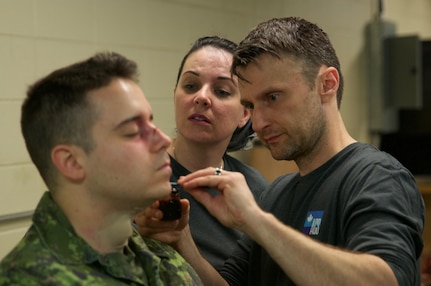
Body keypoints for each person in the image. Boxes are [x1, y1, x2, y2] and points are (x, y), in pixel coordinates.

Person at [137, 17, 425, 285]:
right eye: (250, 106)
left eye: (273, 97)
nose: (259, 122)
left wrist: (258, 223)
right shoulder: (276, 195)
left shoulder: (377, 178)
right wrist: (181, 242)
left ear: (327, 84)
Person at [0, 52, 202, 285]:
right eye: (133, 132)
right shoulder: (29, 278)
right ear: (71, 162)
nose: (165, 140)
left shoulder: (161, 258)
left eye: (151, 122)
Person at [135, 36, 269, 270]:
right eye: (190, 86)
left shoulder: (255, 190)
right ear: (175, 93)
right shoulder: (134, 173)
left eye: (222, 91)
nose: (201, 97)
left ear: (245, 114)